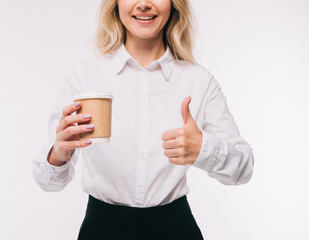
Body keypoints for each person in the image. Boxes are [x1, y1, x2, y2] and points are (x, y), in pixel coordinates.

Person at [32, 0, 254, 239]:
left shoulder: (199, 81)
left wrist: (204, 149)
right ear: (115, 4)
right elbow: (48, 183)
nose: (144, 4)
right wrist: (59, 154)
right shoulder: (84, 78)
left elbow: (244, 170)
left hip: (176, 229)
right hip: (101, 230)